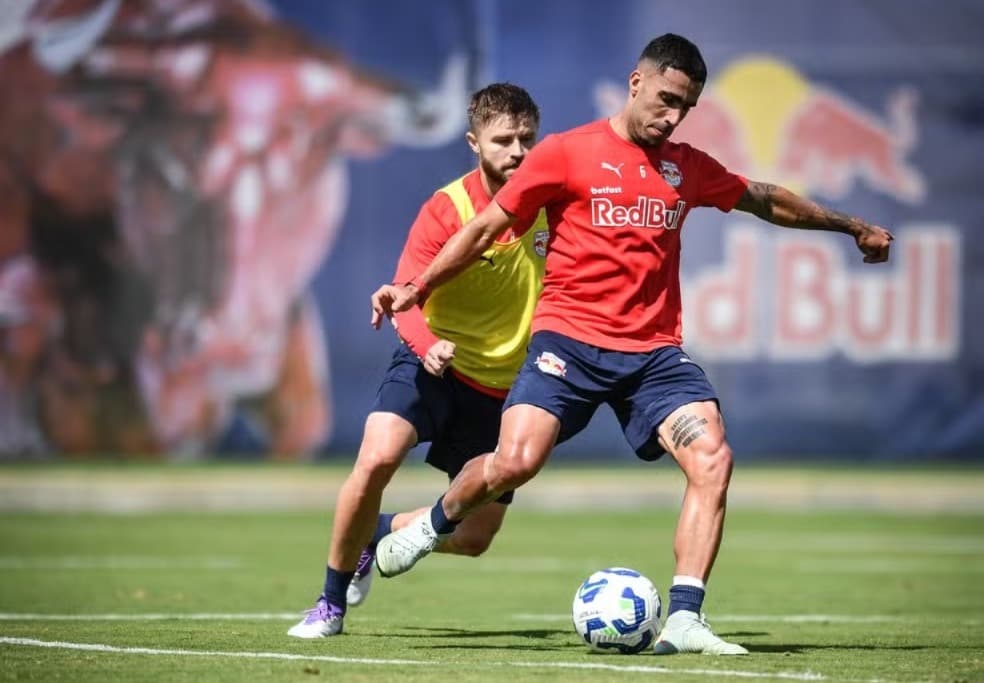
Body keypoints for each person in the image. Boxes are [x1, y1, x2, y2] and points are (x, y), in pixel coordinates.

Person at [369, 34, 894, 656]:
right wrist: (415, 288)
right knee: (516, 461)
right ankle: (432, 523)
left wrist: (850, 226)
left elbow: (761, 198)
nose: (672, 116)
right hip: (568, 343)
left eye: (687, 107)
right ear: (636, 82)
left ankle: (685, 618)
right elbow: (485, 227)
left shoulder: (686, 166)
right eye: (667, 99)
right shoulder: (566, 153)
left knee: (713, 460)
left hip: (653, 356)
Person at [288, 83, 547, 637]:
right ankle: (329, 604)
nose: (518, 151)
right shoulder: (447, 208)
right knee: (378, 458)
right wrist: (430, 347)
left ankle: (373, 534)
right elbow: (404, 296)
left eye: (527, 137)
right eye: (503, 140)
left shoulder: (555, 203)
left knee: (474, 539)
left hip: (504, 389)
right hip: (431, 366)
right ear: (474, 142)